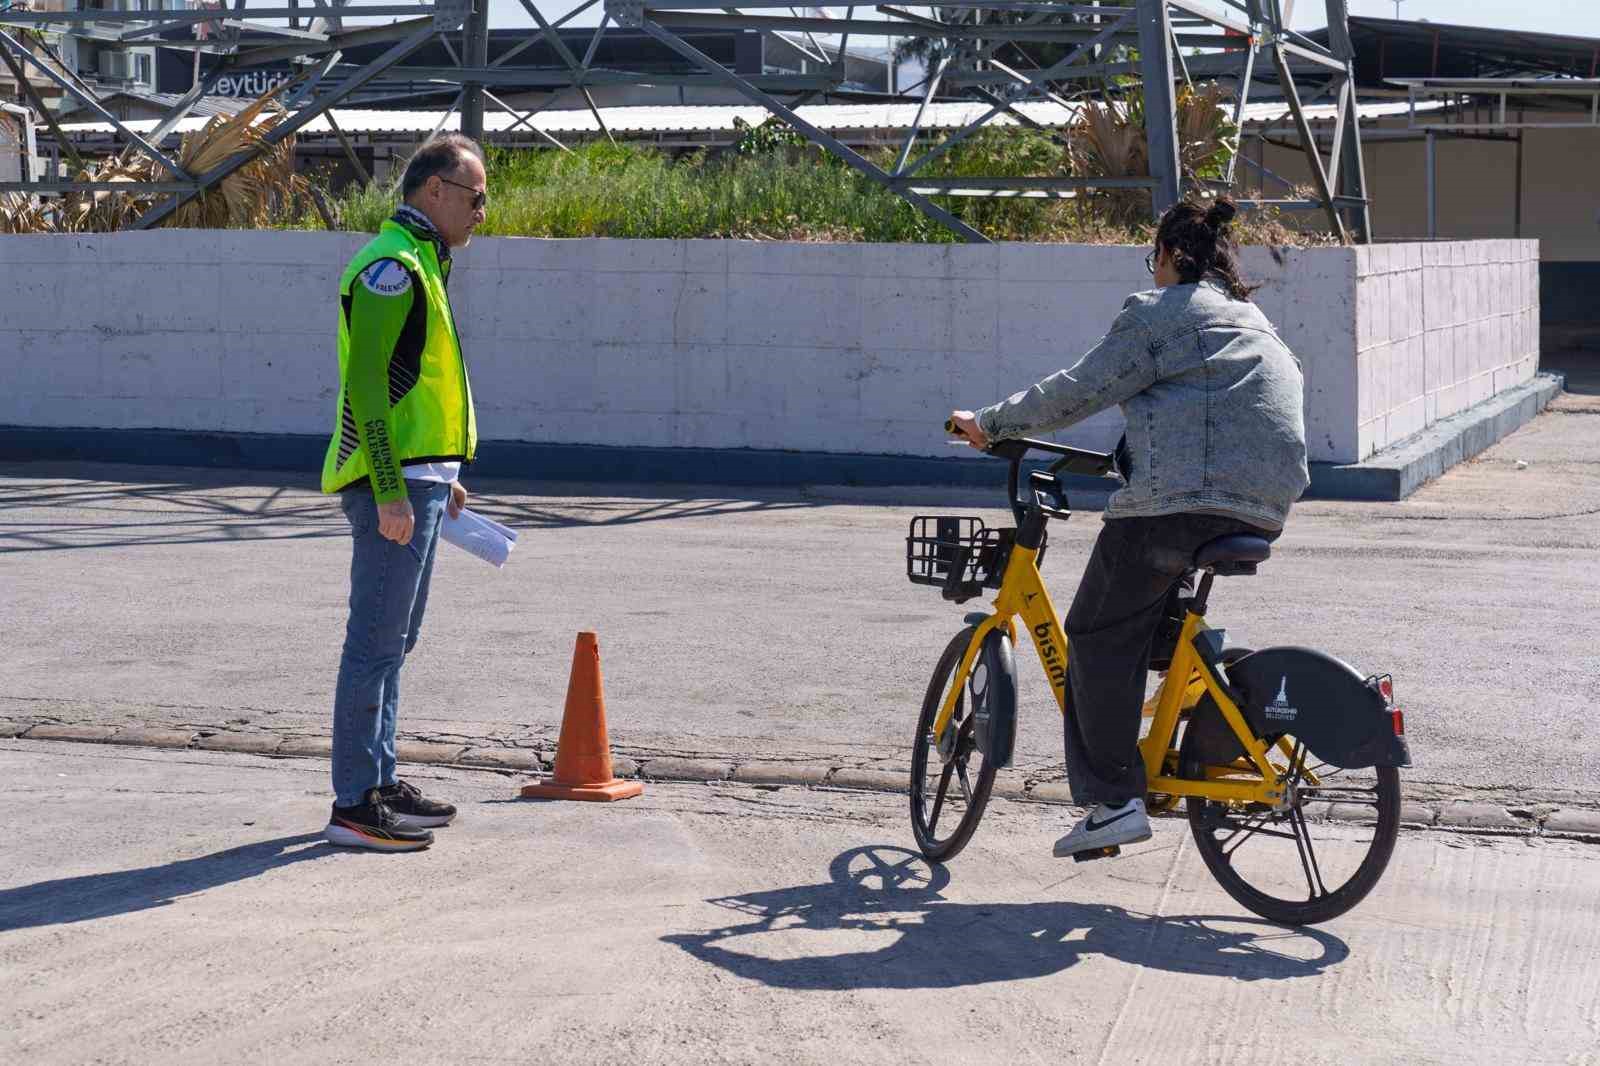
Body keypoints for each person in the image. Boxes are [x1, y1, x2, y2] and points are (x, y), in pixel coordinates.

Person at [948, 197, 1309, 859]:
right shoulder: (1252, 321)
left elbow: (1081, 388)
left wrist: (990, 424)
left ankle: (1114, 800)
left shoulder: (1161, 312)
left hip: (1182, 504)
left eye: (1154, 258)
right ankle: (1189, 711)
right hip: (1263, 502)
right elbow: (1211, 412)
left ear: (1171, 255)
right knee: (1149, 617)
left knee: (1095, 632)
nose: (1154, 270)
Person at [319, 134, 488, 852]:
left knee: (394, 642)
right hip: (392, 485)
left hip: (421, 480)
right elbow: (367, 387)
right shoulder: (391, 266)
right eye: (476, 196)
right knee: (373, 645)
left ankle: (380, 784)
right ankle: (355, 805)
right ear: (434, 190)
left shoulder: (421, 260)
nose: (483, 211)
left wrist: (443, 475)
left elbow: (414, 390)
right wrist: (391, 489)